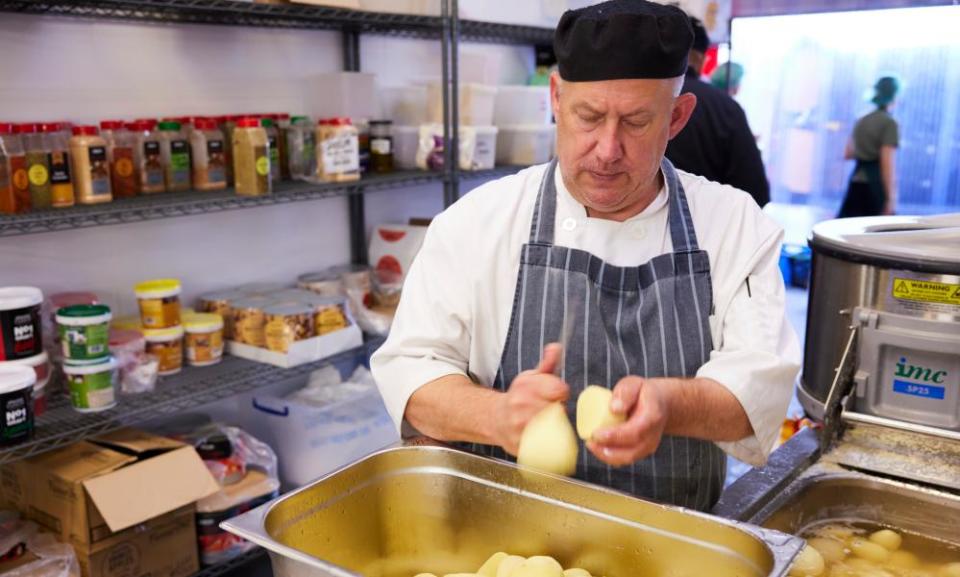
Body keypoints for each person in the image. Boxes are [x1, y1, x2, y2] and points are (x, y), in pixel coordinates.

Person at [371, 0, 800, 512]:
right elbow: (412, 370)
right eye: (589, 117)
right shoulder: (476, 222)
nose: (607, 149)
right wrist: (497, 414)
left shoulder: (734, 225)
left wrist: (669, 405)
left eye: (637, 122)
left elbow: (759, 389)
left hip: (673, 541)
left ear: (678, 117)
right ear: (556, 98)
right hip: (504, 539)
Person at [665, 17, 770, 207]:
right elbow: (756, 191)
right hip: (707, 226)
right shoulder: (726, 108)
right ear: (701, 58)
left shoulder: (632, 100)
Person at [838, 77, 900, 217]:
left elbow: (848, 153)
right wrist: (891, 199)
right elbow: (887, 163)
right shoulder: (889, 123)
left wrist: (864, 150)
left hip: (856, 182)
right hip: (875, 185)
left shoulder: (861, 120)